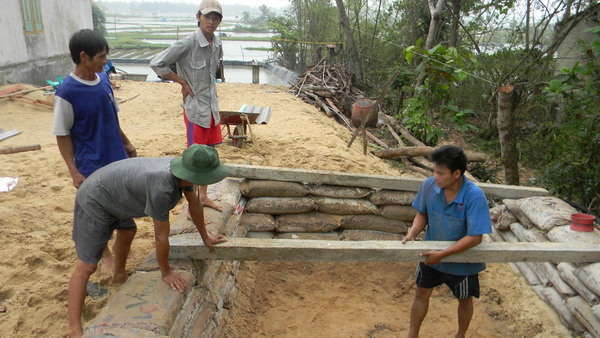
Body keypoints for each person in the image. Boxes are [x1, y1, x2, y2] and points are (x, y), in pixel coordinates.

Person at [67, 144, 229, 337]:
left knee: (127, 232)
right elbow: (160, 237)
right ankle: (74, 327)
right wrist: (166, 272)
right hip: (95, 199)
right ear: (192, 174)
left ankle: (119, 276)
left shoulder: (182, 175)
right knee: (87, 266)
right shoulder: (162, 188)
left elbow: (195, 206)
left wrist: (205, 236)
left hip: (119, 194)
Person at [52, 29, 137, 273]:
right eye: (101, 57)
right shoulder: (67, 92)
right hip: (91, 165)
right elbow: (62, 135)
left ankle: (121, 246)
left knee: (124, 209)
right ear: (84, 57)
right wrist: (73, 171)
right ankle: (105, 254)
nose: (105, 62)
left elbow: (112, 119)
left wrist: (128, 144)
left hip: (117, 159)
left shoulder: (104, 82)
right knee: (98, 215)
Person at [402, 145, 491, 338]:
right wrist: (412, 233)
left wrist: (443, 255)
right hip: (430, 254)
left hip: (463, 261)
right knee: (421, 294)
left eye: (441, 173)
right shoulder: (429, 185)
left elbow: (475, 237)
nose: (435, 176)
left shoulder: (474, 196)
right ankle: (412, 335)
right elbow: (422, 214)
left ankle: (460, 335)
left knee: (465, 299)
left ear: (457, 173)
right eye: (434, 171)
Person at [149, 0, 225, 213]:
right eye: (207, 16)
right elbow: (157, 63)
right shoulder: (188, 43)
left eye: (215, 18)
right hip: (195, 109)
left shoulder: (217, 44)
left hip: (211, 107)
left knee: (208, 154)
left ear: (220, 21)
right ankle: (192, 205)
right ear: (198, 17)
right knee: (194, 157)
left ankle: (204, 197)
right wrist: (181, 81)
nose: (211, 21)